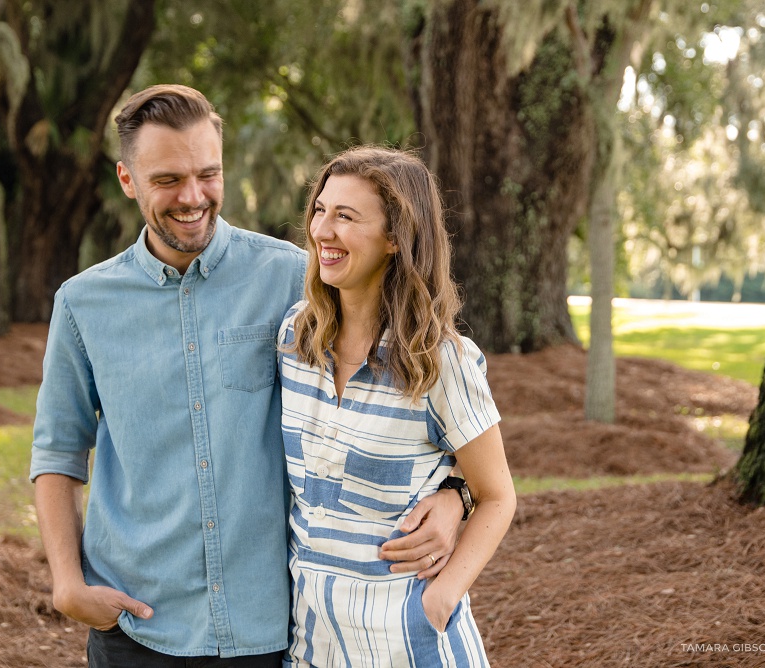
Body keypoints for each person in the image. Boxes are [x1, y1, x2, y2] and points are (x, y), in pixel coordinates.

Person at [30, 85, 469, 667]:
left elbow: (410, 375)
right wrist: (67, 582)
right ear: (127, 179)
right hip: (134, 626)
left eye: (207, 174)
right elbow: (58, 450)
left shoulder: (296, 279)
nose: (193, 197)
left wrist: (456, 494)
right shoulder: (83, 304)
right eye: (167, 180)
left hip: (272, 626)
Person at [278, 146, 517, 666]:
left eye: (346, 216)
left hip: (411, 646)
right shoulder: (294, 342)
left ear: (394, 239)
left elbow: (497, 495)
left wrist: (441, 599)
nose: (323, 230)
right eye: (320, 210)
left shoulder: (439, 361)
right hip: (310, 648)